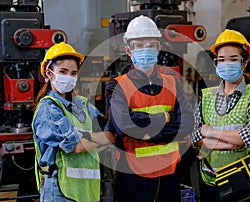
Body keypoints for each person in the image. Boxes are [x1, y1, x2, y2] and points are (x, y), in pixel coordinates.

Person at [105, 15, 194, 202]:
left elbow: (186, 124)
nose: (145, 49)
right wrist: (167, 118)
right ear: (128, 50)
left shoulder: (173, 82)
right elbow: (124, 127)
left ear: (159, 48)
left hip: (168, 175)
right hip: (132, 176)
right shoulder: (117, 86)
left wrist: (145, 133)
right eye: (138, 45)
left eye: (150, 45)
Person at [192, 29, 250, 202]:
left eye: (233, 59)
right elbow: (194, 135)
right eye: (221, 60)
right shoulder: (206, 96)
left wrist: (210, 132)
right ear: (216, 63)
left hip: (242, 181)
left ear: (244, 63)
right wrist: (232, 143)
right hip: (210, 179)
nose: (226, 64)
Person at [31, 42, 115, 202]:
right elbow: (76, 146)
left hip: (87, 191)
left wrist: (85, 137)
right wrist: (97, 137)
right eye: (63, 72)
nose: (68, 77)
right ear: (49, 73)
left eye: (73, 73)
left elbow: (112, 134)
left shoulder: (83, 105)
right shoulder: (48, 108)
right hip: (60, 192)